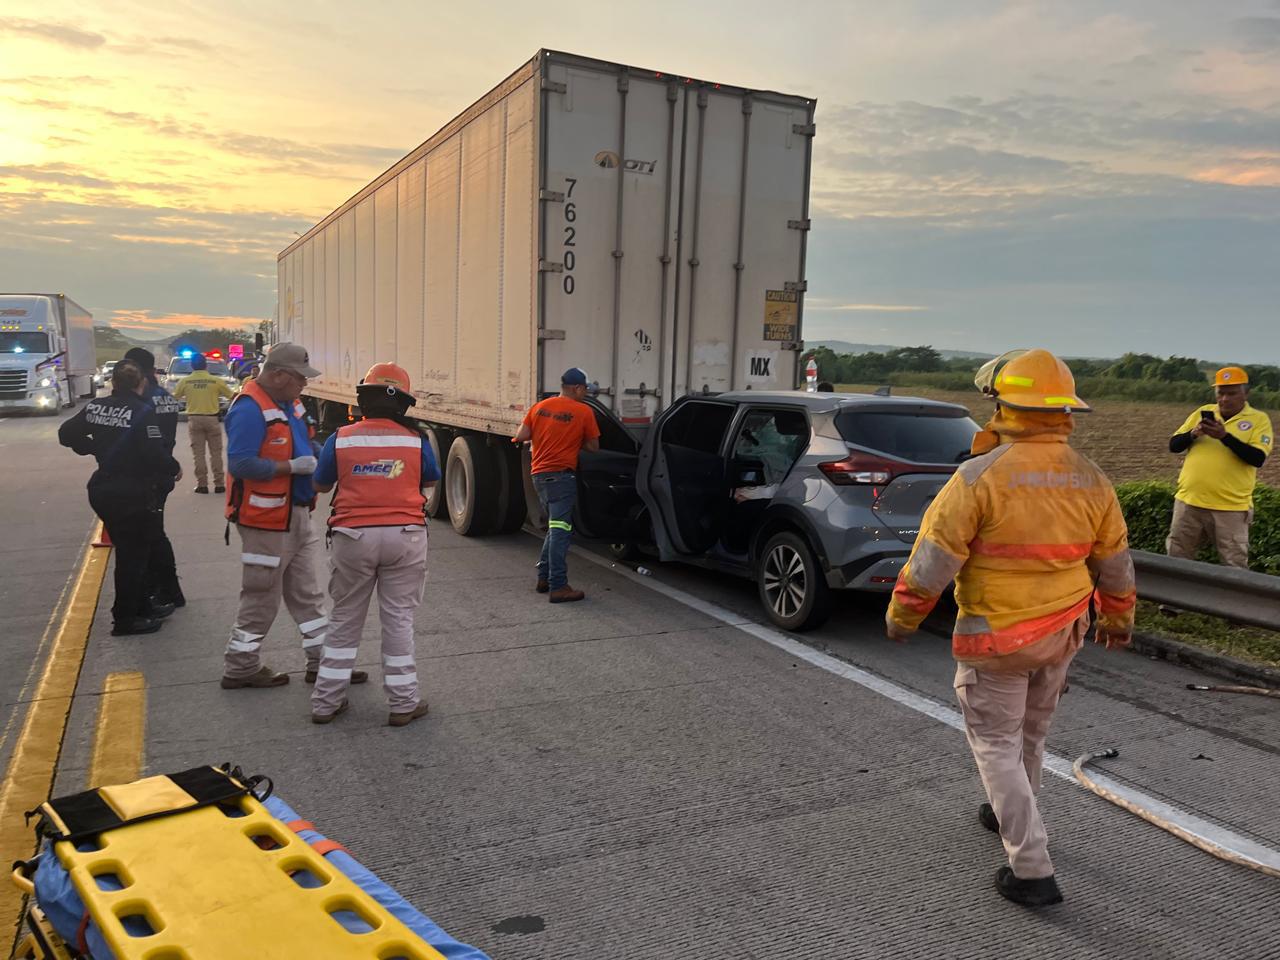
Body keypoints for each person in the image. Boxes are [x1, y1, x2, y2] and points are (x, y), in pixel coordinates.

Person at [885, 349, 1136, 908]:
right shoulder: (1092, 479)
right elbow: (1115, 563)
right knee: (1031, 734)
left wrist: (903, 616)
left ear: (1004, 406)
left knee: (995, 744)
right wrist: (1117, 619)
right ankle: (1008, 809)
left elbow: (932, 559)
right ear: (1061, 411)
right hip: (1064, 631)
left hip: (997, 637)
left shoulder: (979, 476)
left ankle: (1031, 869)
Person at [221, 342, 367, 690]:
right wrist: (290, 467)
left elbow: (308, 444)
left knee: (307, 593)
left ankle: (322, 663)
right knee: (261, 594)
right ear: (277, 375)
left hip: (295, 515)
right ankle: (240, 667)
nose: (305, 384)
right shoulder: (249, 409)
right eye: (300, 378)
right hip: (265, 521)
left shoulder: (290, 404)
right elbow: (240, 464)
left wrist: (324, 457)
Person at [310, 363, 441, 726]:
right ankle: (403, 704)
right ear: (402, 404)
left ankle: (325, 703)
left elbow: (320, 485)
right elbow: (430, 480)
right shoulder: (416, 440)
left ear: (363, 400)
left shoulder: (342, 438)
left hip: (352, 538)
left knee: (344, 619)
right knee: (398, 620)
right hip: (405, 536)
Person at [58, 361, 181, 635]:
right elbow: (153, 454)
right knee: (133, 557)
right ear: (142, 384)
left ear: (114, 383)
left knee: (134, 550)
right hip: (132, 491)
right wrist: (174, 468)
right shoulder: (142, 412)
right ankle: (125, 619)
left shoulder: (96, 406)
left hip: (105, 485)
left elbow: (66, 434)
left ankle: (143, 608)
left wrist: (94, 448)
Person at [1167, 366, 1271, 569]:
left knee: (1234, 564)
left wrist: (1224, 437)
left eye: (1231, 393)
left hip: (1230, 508)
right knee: (1177, 557)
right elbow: (1174, 445)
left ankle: (1235, 601)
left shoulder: (1259, 420)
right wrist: (1194, 434)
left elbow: (1257, 458)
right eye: (1220, 393)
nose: (1224, 399)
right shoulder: (1201, 413)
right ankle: (1172, 601)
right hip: (1189, 502)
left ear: (1245, 393)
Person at [512, 367, 600, 602]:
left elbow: (521, 436)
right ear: (577, 388)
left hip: (539, 475)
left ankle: (543, 577)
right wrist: (573, 439)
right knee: (561, 532)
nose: (585, 394)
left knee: (555, 528)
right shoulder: (583, 412)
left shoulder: (539, 407)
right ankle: (558, 586)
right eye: (584, 389)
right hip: (561, 478)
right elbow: (594, 447)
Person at [123, 347, 185, 609]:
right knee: (153, 531)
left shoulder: (141, 398)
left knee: (149, 535)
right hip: (161, 470)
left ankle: (165, 590)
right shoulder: (163, 396)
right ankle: (167, 590)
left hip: (147, 474)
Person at [173, 351, 236, 494]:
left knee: (199, 454)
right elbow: (232, 396)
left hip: (194, 419)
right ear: (205, 365)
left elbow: (174, 398)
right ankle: (219, 484)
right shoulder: (216, 381)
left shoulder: (185, 381)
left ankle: (202, 485)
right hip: (212, 419)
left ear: (192, 365)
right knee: (216, 453)